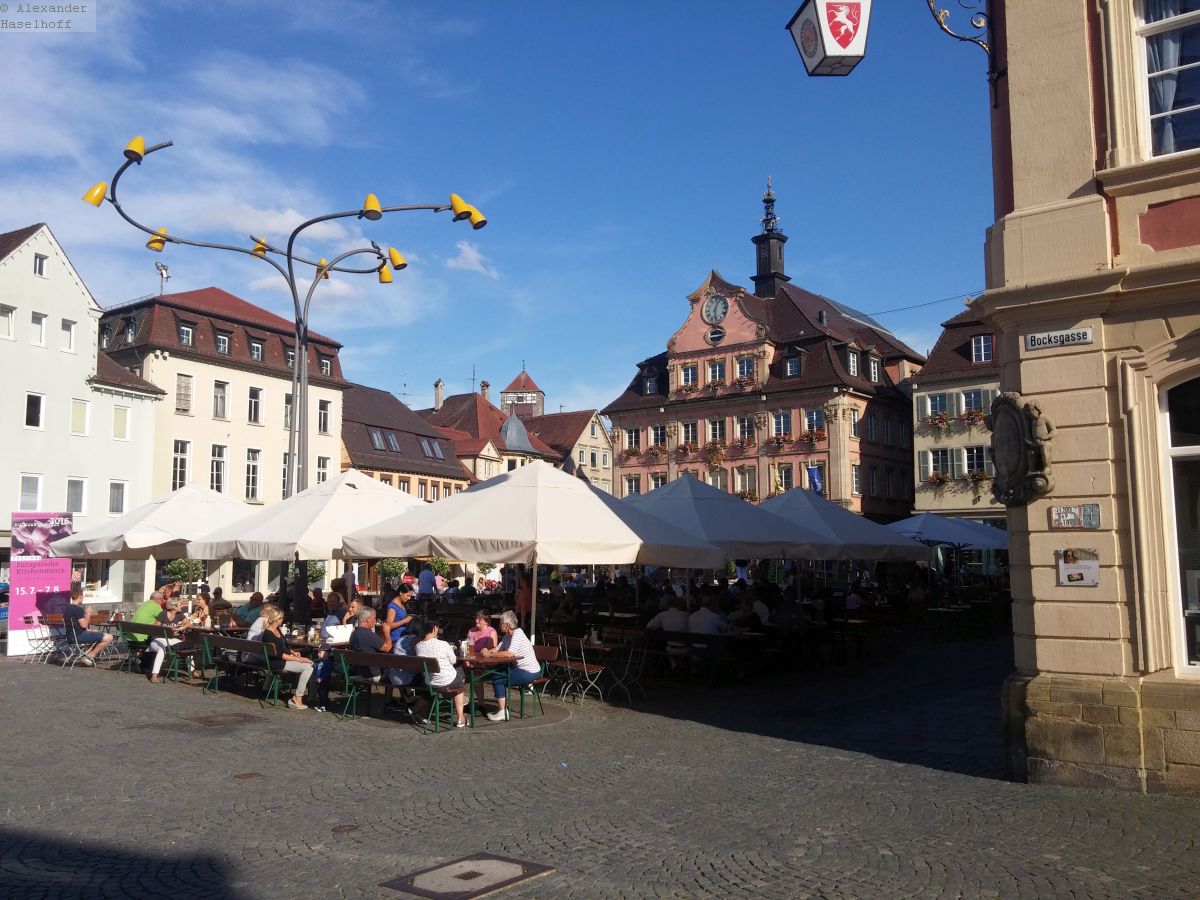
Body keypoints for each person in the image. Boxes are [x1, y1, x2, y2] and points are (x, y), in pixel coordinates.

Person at [483, 609, 541, 722]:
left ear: (507, 625)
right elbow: (498, 649)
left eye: (501, 623)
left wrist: (490, 654)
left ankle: (502, 712)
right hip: (519, 668)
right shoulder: (507, 636)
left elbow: (510, 653)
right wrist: (487, 651)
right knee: (495, 670)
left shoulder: (518, 633)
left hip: (529, 671)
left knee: (498, 677)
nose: (499, 625)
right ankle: (502, 709)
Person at [258, 605, 314, 710]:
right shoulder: (268, 635)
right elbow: (278, 654)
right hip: (277, 662)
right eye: (281, 618)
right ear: (276, 620)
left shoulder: (277, 630)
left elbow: (283, 646)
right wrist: (298, 659)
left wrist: (293, 652)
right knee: (308, 667)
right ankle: (297, 698)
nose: (282, 619)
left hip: (282, 659)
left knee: (309, 664)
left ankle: (306, 695)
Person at [414, 618, 467, 728]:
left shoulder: (418, 646)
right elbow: (453, 661)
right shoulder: (443, 644)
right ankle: (461, 717)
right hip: (448, 681)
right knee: (460, 674)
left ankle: (416, 710)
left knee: (454, 676)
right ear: (434, 629)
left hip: (431, 682)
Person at [61, 584, 114, 667]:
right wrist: (88, 614)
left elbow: (76, 627)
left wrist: (91, 631)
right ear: (80, 597)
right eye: (83, 597)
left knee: (96, 634)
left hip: (70, 636)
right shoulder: (78, 609)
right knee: (109, 637)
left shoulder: (66, 608)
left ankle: (86, 654)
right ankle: (90, 656)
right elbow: (84, 625)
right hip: (79, 637)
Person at [148, 596, 197, 683]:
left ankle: (192, 671)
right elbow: (155, 628)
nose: (181, 606)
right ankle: (154, 675)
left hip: (171, 639)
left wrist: (181, 628)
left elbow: (188, 624)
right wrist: (166, 630)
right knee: (161, 650)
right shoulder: (162, 614)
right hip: (158, 639)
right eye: (180, 604)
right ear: (173, 606)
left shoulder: (179, 615)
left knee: (186, 647)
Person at [646, 595, 691, 668]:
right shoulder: (687, 615)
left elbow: (649, 626)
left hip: (670, 647)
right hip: (685, 648)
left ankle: (674, 666)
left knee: (662, 646)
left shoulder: (662, 615)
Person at [348, 607, 390, 681]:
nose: (375, 620)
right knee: (395, 671)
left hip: (359, 672)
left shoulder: (353, 634)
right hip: (373, 673)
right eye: (374, 618)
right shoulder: (368, 635)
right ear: (368, 619)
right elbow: (387, 648)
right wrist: (387, 632)